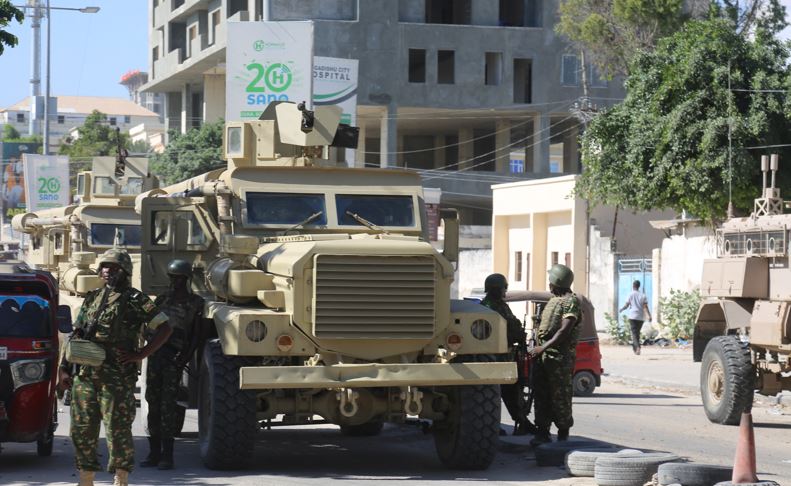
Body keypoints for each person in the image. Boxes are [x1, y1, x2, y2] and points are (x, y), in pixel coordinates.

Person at [58, 249, 172, 486]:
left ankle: (120, 479)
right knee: (82, 428)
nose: (107, 271)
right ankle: (86, 478)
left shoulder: (135, 300)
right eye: (104, 267)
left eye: (113, 267)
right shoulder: (92, 297)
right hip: (85, 374)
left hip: (116, 377)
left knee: (117, 430)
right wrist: (64, 367)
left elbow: (164, 328)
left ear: (125, 271)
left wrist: (140, 354)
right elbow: (77, 334)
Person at [141, 259, 204, 470]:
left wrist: (183, 359)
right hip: (155, 356)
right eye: (173, 278)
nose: (175, 282)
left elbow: (195, 335)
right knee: (153, 402)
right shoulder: (161, 300)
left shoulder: (195, 303)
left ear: (187, 280)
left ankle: (167, 456)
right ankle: (153, 453)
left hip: (174, 357)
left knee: (168, 406)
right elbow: (149, 325)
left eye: (180, 278)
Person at [529, 264, 581, 446]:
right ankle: (542, 432)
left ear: (556, 282)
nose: (549, 283)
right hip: (544, 358)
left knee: (561, 396)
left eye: (551, 280)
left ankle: (563, 434)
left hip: (559, 358)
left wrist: (542, 348)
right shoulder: (553, 301)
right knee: (541, 395)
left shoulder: (571, 302)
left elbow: (564, 331)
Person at [480, 273, 534, 436]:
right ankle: (518, 422)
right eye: (503, 288)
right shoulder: (495, 306)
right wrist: (521, 336)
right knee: (507, 392)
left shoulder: (485, 305)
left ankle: (520, 422)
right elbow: (512, 326)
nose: (504, 291)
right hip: (498, 357)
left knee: (499, 393)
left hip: (495, 356)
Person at [619, 280, 652, 355]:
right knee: (637, 333)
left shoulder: (630, 294)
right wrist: (649, 316)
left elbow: (627, 305)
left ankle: (637, 348)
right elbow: (645, 307)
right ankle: (635, 348)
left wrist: (622, 309)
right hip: (640, 317)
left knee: (634, 333)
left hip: (632, 316)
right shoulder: (643, 295)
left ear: (633, 286)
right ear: (639, 286)